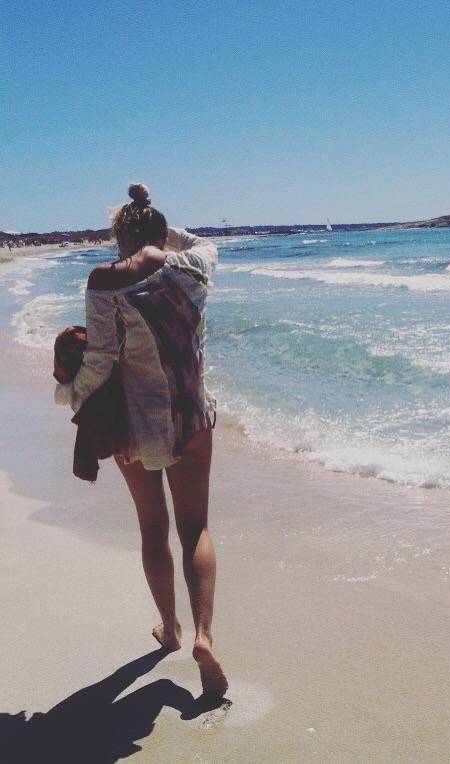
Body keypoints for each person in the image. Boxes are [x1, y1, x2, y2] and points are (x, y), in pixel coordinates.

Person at [55, 183, 228, 697]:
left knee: (154, 528)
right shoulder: (194, 266)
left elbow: (101, 361)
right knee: (195, 527)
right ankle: (204, 635)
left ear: (120, 235)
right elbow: (200, 242)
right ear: (160, 232)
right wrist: (160, 226)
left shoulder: (105, 280)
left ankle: (170, 629)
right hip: (192, 417)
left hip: (136, 429)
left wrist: (68, 393)